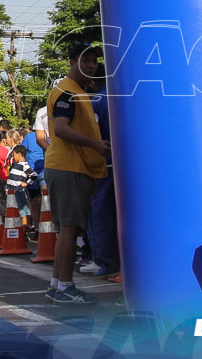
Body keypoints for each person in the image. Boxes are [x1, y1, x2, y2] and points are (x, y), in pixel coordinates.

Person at [43, 44, 109, 305]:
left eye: (94, 61)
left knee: (66, 231)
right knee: (70, 231)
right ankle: (66, 287)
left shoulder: (77, 91)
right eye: (86, 60)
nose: (91, 65)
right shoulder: (68, 91)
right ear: (71, 61)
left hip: (72, 168)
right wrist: (94, 145)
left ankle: (57, 284)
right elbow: (60, 128)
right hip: (68, 168)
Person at [81, 63, 121, 280]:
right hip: (123, 164)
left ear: (92, 81)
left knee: (101, 215)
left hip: (102, 164)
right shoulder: (120, 97)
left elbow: (90, 134)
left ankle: (106, 261)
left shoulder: (95, 101)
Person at [6, 145, 37, 230]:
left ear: (19, 154)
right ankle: (23, 227)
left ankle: (23, 228)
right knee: (18, 209)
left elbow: (34, 175)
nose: (13, 156)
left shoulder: (24, 165)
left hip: (18, 191)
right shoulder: (16, 165)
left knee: (21, 210)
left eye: (14, 154)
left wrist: (27, 183)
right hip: (13, 191)